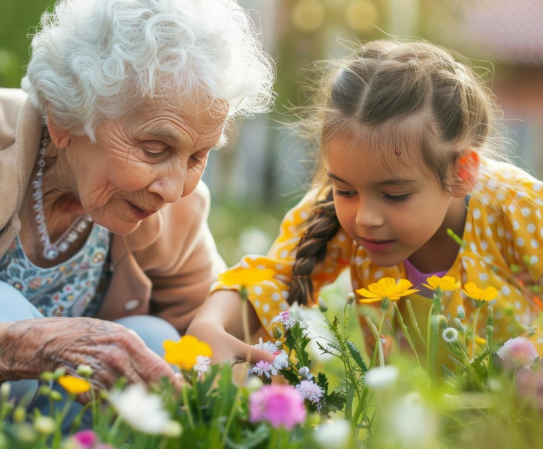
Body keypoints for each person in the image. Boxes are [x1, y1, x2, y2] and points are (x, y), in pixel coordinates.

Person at [0, 0, 273, 424]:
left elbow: (220, 327)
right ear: (66, 119)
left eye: (197, 157)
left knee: (158, 343)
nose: (174, 189)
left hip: (53, 421)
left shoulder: (173, 209)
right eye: (155, 149)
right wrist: (14, 344)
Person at [188, 40, 543, 364]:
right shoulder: (327, 213)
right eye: (345, 190)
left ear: (462, 172)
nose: (365, 218)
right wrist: (210, 322)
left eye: (394, 195)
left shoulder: (519, 207)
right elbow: (275, 277)